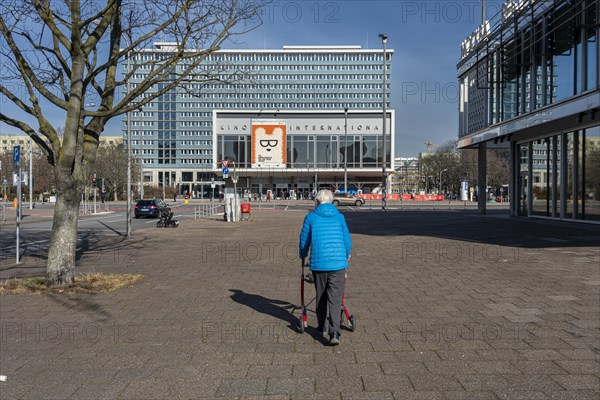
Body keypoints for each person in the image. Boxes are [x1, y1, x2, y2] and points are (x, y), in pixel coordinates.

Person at [299, 189, 352, 346]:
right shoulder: (340, 217)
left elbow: (304, 241)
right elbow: (346, 239)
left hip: (319, 264)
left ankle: (321, 326)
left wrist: (303, 255)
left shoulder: (311, 217)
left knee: (321, 296)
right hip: (338, 264)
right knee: (335, 299)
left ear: (318, 201)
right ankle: (334, 332)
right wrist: (347, 254)